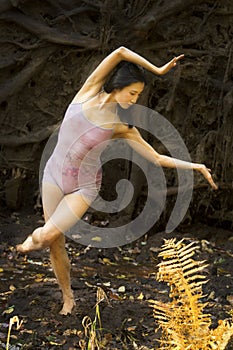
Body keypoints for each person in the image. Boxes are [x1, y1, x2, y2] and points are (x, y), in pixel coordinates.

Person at [16, 46, 218, 315]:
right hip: (52, 175)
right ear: (117, 85)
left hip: (83, 186)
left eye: (138, 96)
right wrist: (157, 69)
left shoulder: (121, 126)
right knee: (56, 244)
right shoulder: (87, 92)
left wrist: (195, 165)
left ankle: (32, 241)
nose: (134, 100)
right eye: (132, 93)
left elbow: (156, 157)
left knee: (47, 235)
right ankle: (68, 298)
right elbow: (121, 52)